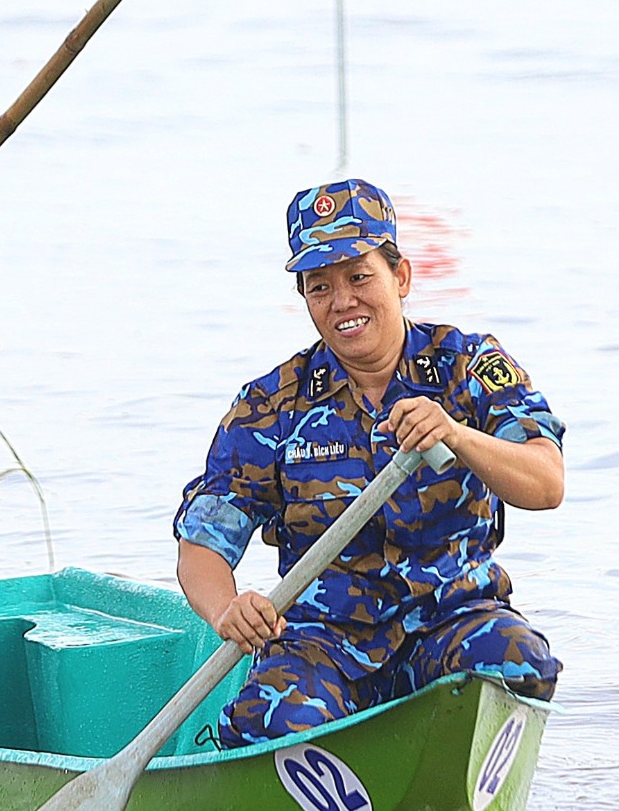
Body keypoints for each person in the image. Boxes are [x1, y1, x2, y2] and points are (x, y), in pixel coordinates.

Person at [172, 179, 564, 748]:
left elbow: (546, 482)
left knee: (518, 662)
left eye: (359, 277)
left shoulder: (467, 366)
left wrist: (457, 435)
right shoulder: (271, 404)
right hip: (325, 640)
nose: (342, 301)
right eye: (319, 286)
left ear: (399, 277)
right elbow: (203, 544)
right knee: (269, 722)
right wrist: (226, 608)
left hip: (451, 619)